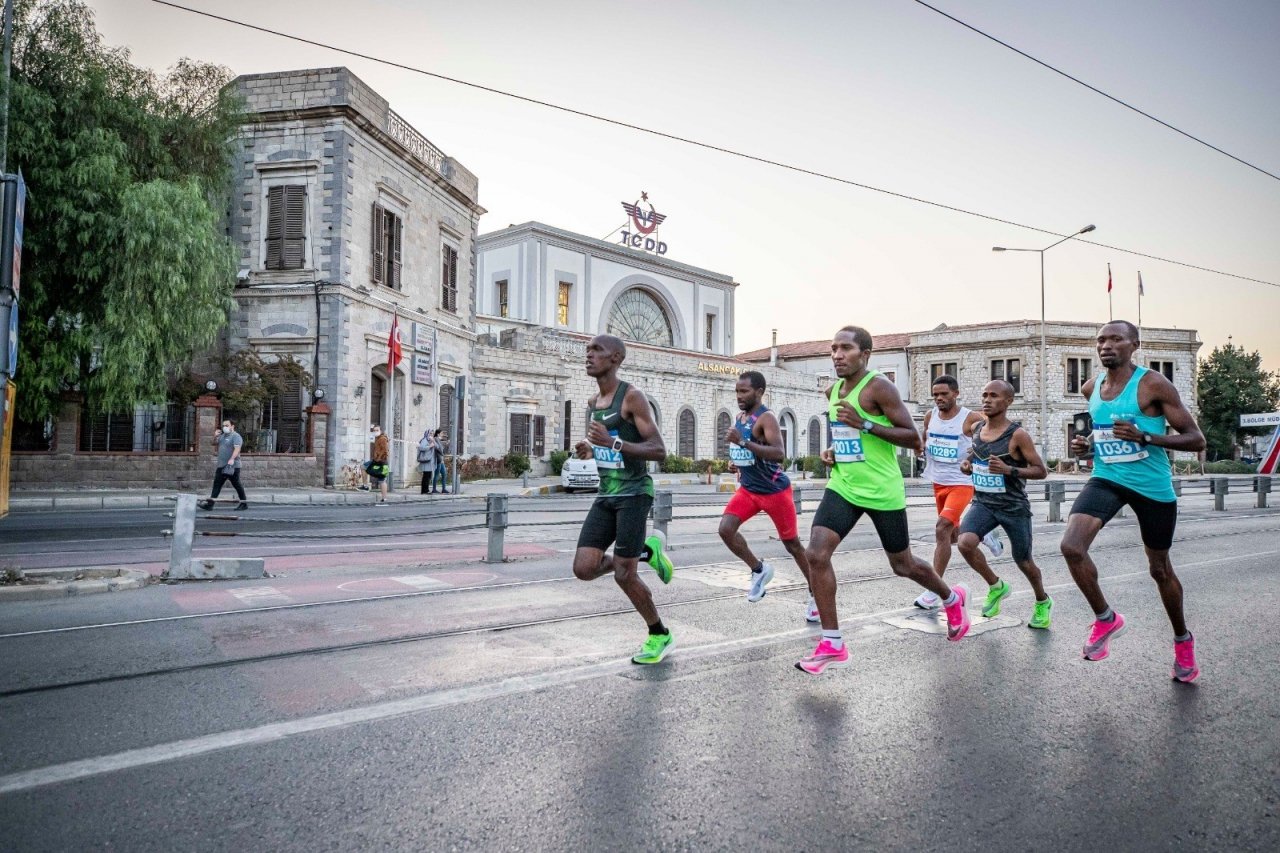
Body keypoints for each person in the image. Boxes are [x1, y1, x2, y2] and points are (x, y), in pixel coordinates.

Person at [799, 327, 971, 676]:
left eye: (845, 348)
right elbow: (847, 436)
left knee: (903, 564)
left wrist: (864, 424)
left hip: (882, 490)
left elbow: (911, 438)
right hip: (845, 486)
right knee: (816, 553)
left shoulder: (879, 387)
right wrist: (834, 451)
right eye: (833, 349)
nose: (837, 355)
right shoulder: (833, 391)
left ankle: (952, 598)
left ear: (865, 354)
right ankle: (832, 642)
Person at [1061, 321, 1206, 682]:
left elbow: (1196, 439)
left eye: (1115, 339)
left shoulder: (1153, 384)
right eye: (1101, 340)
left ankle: (1182, 640)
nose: (1106, 346)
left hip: (1151, 487)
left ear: (1134, 345)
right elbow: (1103, 431)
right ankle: (1106, 619)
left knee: (1159, 570)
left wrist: (1145, 437)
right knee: (1071, 546)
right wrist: (1088, 445)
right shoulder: (1091, 387)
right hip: (1107, 478)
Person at [572, 334, 676, 665]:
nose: (589, 355)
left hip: (633, 493)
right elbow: (607, 441)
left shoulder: (632, 397)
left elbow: (659, 451)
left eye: (596, 350)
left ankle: (659, 634)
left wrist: (613, 445)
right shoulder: (592, 403)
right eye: (587, 350)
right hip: (606, 494)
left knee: (623, 574)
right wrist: (591, 448)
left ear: (615, 358)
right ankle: (647, 550)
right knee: (584, 569)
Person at [955, 380, 1054, 628]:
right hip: (984, 502)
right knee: (965, 543)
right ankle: (996, 585)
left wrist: (1009, 469)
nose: (987, 400)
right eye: (984, 395)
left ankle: (1042, 601)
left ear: (1008, 401)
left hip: (1013, 506)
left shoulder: (1017, 435)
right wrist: (968, 464)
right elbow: (976, 453)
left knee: (1023, 560)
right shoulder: (977, 428)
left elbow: (1041, 471)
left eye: (994, 396)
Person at [719, 371, 813, 614]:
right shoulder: (741, 417)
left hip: (774, 491)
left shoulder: (766, 418)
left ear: (759, 392)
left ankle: (816, 592)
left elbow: (778, 453)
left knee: (792, 544)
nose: (739, 396)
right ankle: (759, 569)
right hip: (749, 490)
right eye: (737, 391)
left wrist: (742, 443)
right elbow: (749, 453)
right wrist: (737, 463)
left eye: (744, 391)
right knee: (725, 530)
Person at [914, 374, 1003, 610]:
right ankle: (982, 534)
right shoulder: (930, 415)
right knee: (952, 535)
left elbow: (991, 433)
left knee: (942, 528)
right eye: (935, 395)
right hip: (938, 481)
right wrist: (921, 448)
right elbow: (926, 437)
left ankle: (934, 590)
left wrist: (976, 457)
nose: (939, 398)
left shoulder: (969, 418)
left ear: (956, 393)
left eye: (944, 394)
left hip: (961, 483)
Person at [199, 417, 247, 511]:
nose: (224, 427)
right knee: (217, 485)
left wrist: (232, 459)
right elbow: (213, 443)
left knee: (236, 484)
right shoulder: (222, 436)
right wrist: (215, 436)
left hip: (232, 466)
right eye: (223, 425)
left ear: (232, 426)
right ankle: (210, 504)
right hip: (221, 465)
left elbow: (237, 449)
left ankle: (244, 503)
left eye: (227, 425)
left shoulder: (236, 436)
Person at [368, 424, 390, 505]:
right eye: (374, 430)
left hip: (382, 462)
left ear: (380, 431)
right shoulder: (377, 438)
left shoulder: (382, 439)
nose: (375, 432)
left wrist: (378, 458)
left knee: (382, 480)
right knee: (381, 480)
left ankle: (384, 499)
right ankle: (384, 498)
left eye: (377, 430)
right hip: (378, 461)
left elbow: (385, 451)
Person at [432, 429, 451, 494]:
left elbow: (441, 445)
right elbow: (438, 448)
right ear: (438, 434)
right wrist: (442, 453)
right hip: (438, 459)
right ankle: (434, 489)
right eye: (441, 433)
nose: (442, 435)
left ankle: (443, 489)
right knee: (436, 475)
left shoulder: (438, 440)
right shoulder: (435, 439)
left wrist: (446, 443)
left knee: (444, 473)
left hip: (441, 460)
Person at [417, 429, 434, 495]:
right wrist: (430, 446)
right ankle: (424, 490)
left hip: (428, 461)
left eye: (432, 433)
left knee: (428, 476)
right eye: (430, 433)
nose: (431, 435)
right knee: (426, 476)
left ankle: (426, 490)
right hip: (425, 460)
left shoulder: (429, 440)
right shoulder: (424, 440)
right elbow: (421, 448)